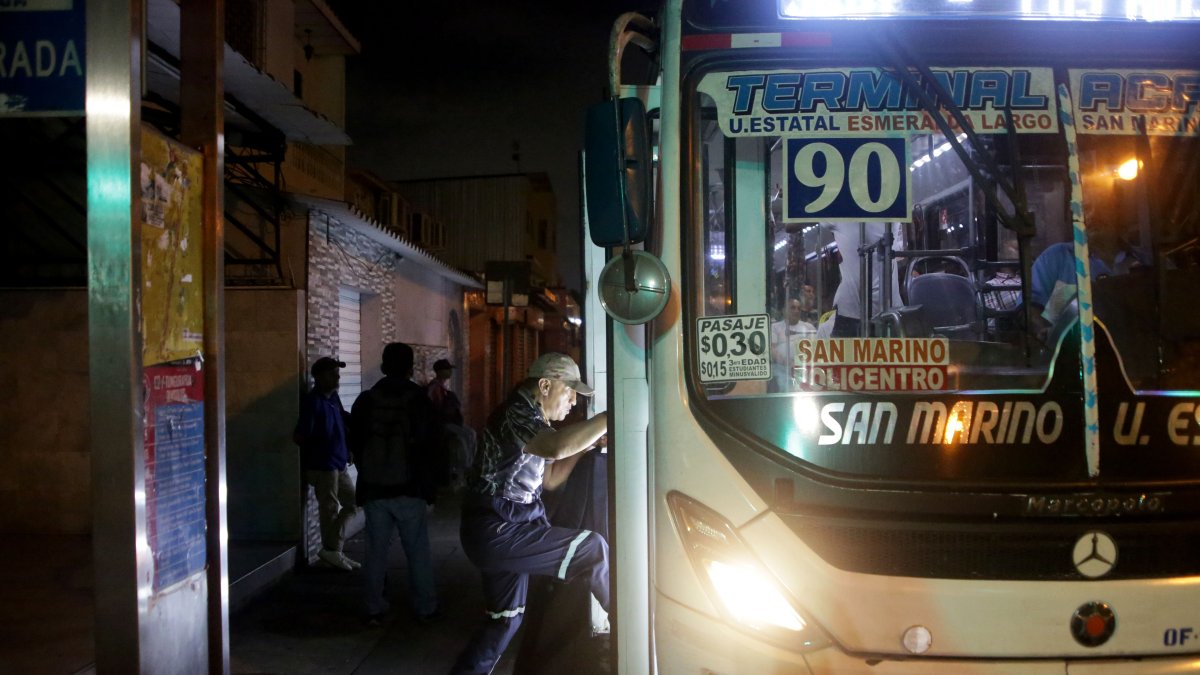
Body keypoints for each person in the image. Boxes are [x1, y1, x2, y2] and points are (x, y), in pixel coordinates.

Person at [451, 352, 610, 675]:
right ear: (545, 385)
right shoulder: (516, 413)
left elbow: (550, 479)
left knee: (505, 620)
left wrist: (588, 447)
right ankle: (633, 624)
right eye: (569, 392)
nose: (572, 402)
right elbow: (555, 447)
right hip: (498, 528)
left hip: (500, 529)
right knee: (592, 550)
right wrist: (609, 417)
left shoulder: (538, 424)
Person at [350, 342, 440, 625]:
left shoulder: (366, 400)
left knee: (375, 552)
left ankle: (373, 606)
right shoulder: (420, 400)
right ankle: (425, 606)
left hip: (375, 488)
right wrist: (431, 488)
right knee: (417, 551)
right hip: (410, 488)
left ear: (383, 366)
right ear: (410, 367)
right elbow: (431, 446)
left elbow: (355, 441)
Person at [293, 356, 359, 572]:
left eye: (337, 373)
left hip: (339, 462)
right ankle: (333, 550)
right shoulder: (314, 402)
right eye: (332, 373)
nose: (337, 377)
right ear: (319, 377)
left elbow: (344, 424)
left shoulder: (334, 399)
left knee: (353, 503)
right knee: (329, 508)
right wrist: (320, 451)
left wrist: (349, 448)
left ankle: (332, 549)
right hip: (323, 465)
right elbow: (302, 435)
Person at [825, 221, 905, 337]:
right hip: (890, 309)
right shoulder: (892, 215)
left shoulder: (839, 214)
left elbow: (791, 225)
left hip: (852, 312)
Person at [426, 358, 477, 490]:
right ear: (441, 371)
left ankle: (469, 466)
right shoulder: (435, 387)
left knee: (470, 434)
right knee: (465, 437)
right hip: (441, 424)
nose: (450, 372)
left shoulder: (442, 387)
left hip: (447, 423)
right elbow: (435, 409)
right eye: (447, 369)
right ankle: (467, 467)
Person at [769, 298, 816, 392]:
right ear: (784, 310)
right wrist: (788, 363)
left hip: (804, 369)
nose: (796, 311)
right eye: (793, 308)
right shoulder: (775, 327)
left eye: (799, 308)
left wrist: (799, 364)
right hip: (781, 369)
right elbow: (771, 349)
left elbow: (815, 349)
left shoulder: (808, 327)